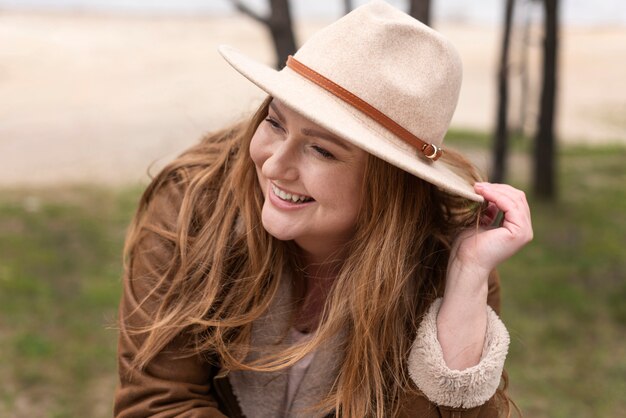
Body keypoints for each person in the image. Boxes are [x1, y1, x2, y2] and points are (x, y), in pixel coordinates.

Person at [114, 1, 533, 417]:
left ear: (390, 183)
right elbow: (155, 404)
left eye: (321, 150)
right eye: (275, 123)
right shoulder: (194, 206)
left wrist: (465, 283)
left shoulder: (446, 264)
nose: (274, 164)